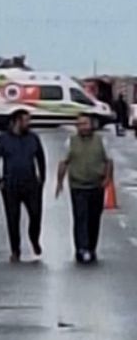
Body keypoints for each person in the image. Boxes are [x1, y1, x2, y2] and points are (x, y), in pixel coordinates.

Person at [0, 109, 47, 262]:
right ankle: (15, 250)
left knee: (36, 215)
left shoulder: (33, 138)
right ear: (16, 121)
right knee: (13, 219)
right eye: (26, 120)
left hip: (31, 184)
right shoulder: (3, 139)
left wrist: (42, 179)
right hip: (11, 185)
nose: (29, 123)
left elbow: (40, 158)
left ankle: (34, 239)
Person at [56, 113, 113, 264]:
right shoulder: (71, 142)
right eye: (79, 124)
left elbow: (108, 161)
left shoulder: (101, 141)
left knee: (93, 219)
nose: (82, 127)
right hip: (78, 186)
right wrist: (59, 181)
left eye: (85, 124)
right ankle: (81, 249)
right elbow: (64, 162)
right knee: (80, 218)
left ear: (91, 125)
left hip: (96, 185)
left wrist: (107, 178)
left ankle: (91, 248)